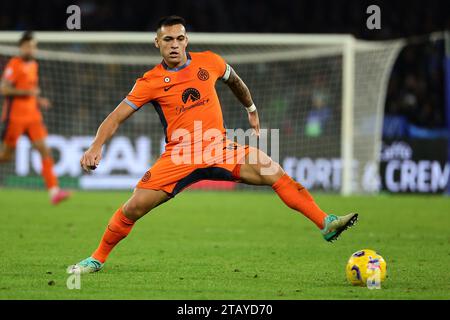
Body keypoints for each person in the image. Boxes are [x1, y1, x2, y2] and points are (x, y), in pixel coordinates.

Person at [69, 16, 358, 274]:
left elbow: (235, 81)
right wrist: (96, 146)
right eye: (167, 39)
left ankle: (325, 223)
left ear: (187, 40)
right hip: (179, 156)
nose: (174, 44)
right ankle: (97, 258)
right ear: (156, 42)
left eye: (180, 38)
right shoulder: (149, 81)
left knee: (272, 170)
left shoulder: (210, 61)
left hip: (218, 148)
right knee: (133, 209)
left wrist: (251, 107)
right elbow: (116, 117)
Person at [0, 31, 70, 205]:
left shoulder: (34, 65)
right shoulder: (14, 64)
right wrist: (27, 93)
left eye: (34, 46)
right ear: (21, 47)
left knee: (45, 150)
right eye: (29, 46)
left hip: (33, 116)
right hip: (14, 117)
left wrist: (39, 99)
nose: (32, 49)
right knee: (6, 156)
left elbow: (32, 89)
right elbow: (4, 89)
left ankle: (54, 191)